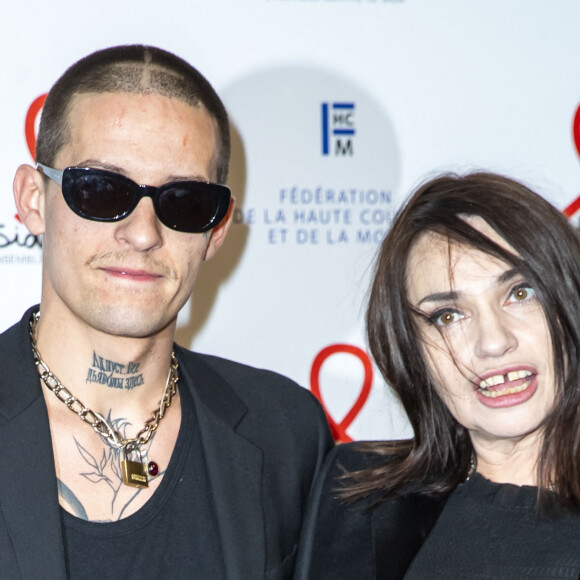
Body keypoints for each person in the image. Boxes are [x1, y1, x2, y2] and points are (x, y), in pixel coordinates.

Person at [6, 45, 332, 579]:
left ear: (217, 229)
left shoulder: (287, 434)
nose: (141, 233)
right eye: (100, 189)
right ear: (34, 200)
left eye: (183, 201)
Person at [294, 172, 580, 579]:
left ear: (568, 299)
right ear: (412, 351)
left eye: (520, 292)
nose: (493, 342)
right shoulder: (360, 497)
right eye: (448, 316)